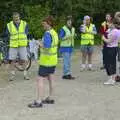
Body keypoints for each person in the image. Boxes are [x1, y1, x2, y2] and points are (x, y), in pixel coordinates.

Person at [28, 16, 58, 108]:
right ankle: (50, 97)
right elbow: (51, 45)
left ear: (49, 23)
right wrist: (42, 42)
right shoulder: (54, 33)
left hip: (46, 61)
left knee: (40, 79)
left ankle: (39, 101)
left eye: (44, 24)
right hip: (53, 60)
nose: (43, 26)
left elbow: (47, 47)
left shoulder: (47, 34)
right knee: (51, 78)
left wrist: (38, 43)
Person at [5, 12, 29, 81]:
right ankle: (12, 75)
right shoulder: (9, 25)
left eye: (17, 17)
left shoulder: (24, 24)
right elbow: (7, 34)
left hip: (22, 45)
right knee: (12, 60)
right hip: (13, 45)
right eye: (14, 18)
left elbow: (26, 33)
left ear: (19, 17)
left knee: (24, 60)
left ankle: (25, 74)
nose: (16, 19)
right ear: (13, 18)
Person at [102, 12, 120, 85]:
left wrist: (103, 38)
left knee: (110, 64)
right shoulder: (110, 30)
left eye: (109, 24)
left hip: (111, 48)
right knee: (109, 63)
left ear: (113, 24)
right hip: (109, 48)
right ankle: (111, 78)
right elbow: (105, 33)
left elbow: (108, 41)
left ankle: (111, 79)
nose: (108, 25)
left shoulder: (115, 31)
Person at [59, 16, 75, 80]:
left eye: (70, 20)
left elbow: (72, 37)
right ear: (66, 21)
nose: (69, 21)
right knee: (66, 61)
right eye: (68, 20)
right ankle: (66, 74)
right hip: (65, 47)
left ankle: (67, 74)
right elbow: (60, 38)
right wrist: (67, 37)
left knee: (68, 61)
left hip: (70, 47)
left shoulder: (73, 29)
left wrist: (73, 36)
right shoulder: (63, 29)